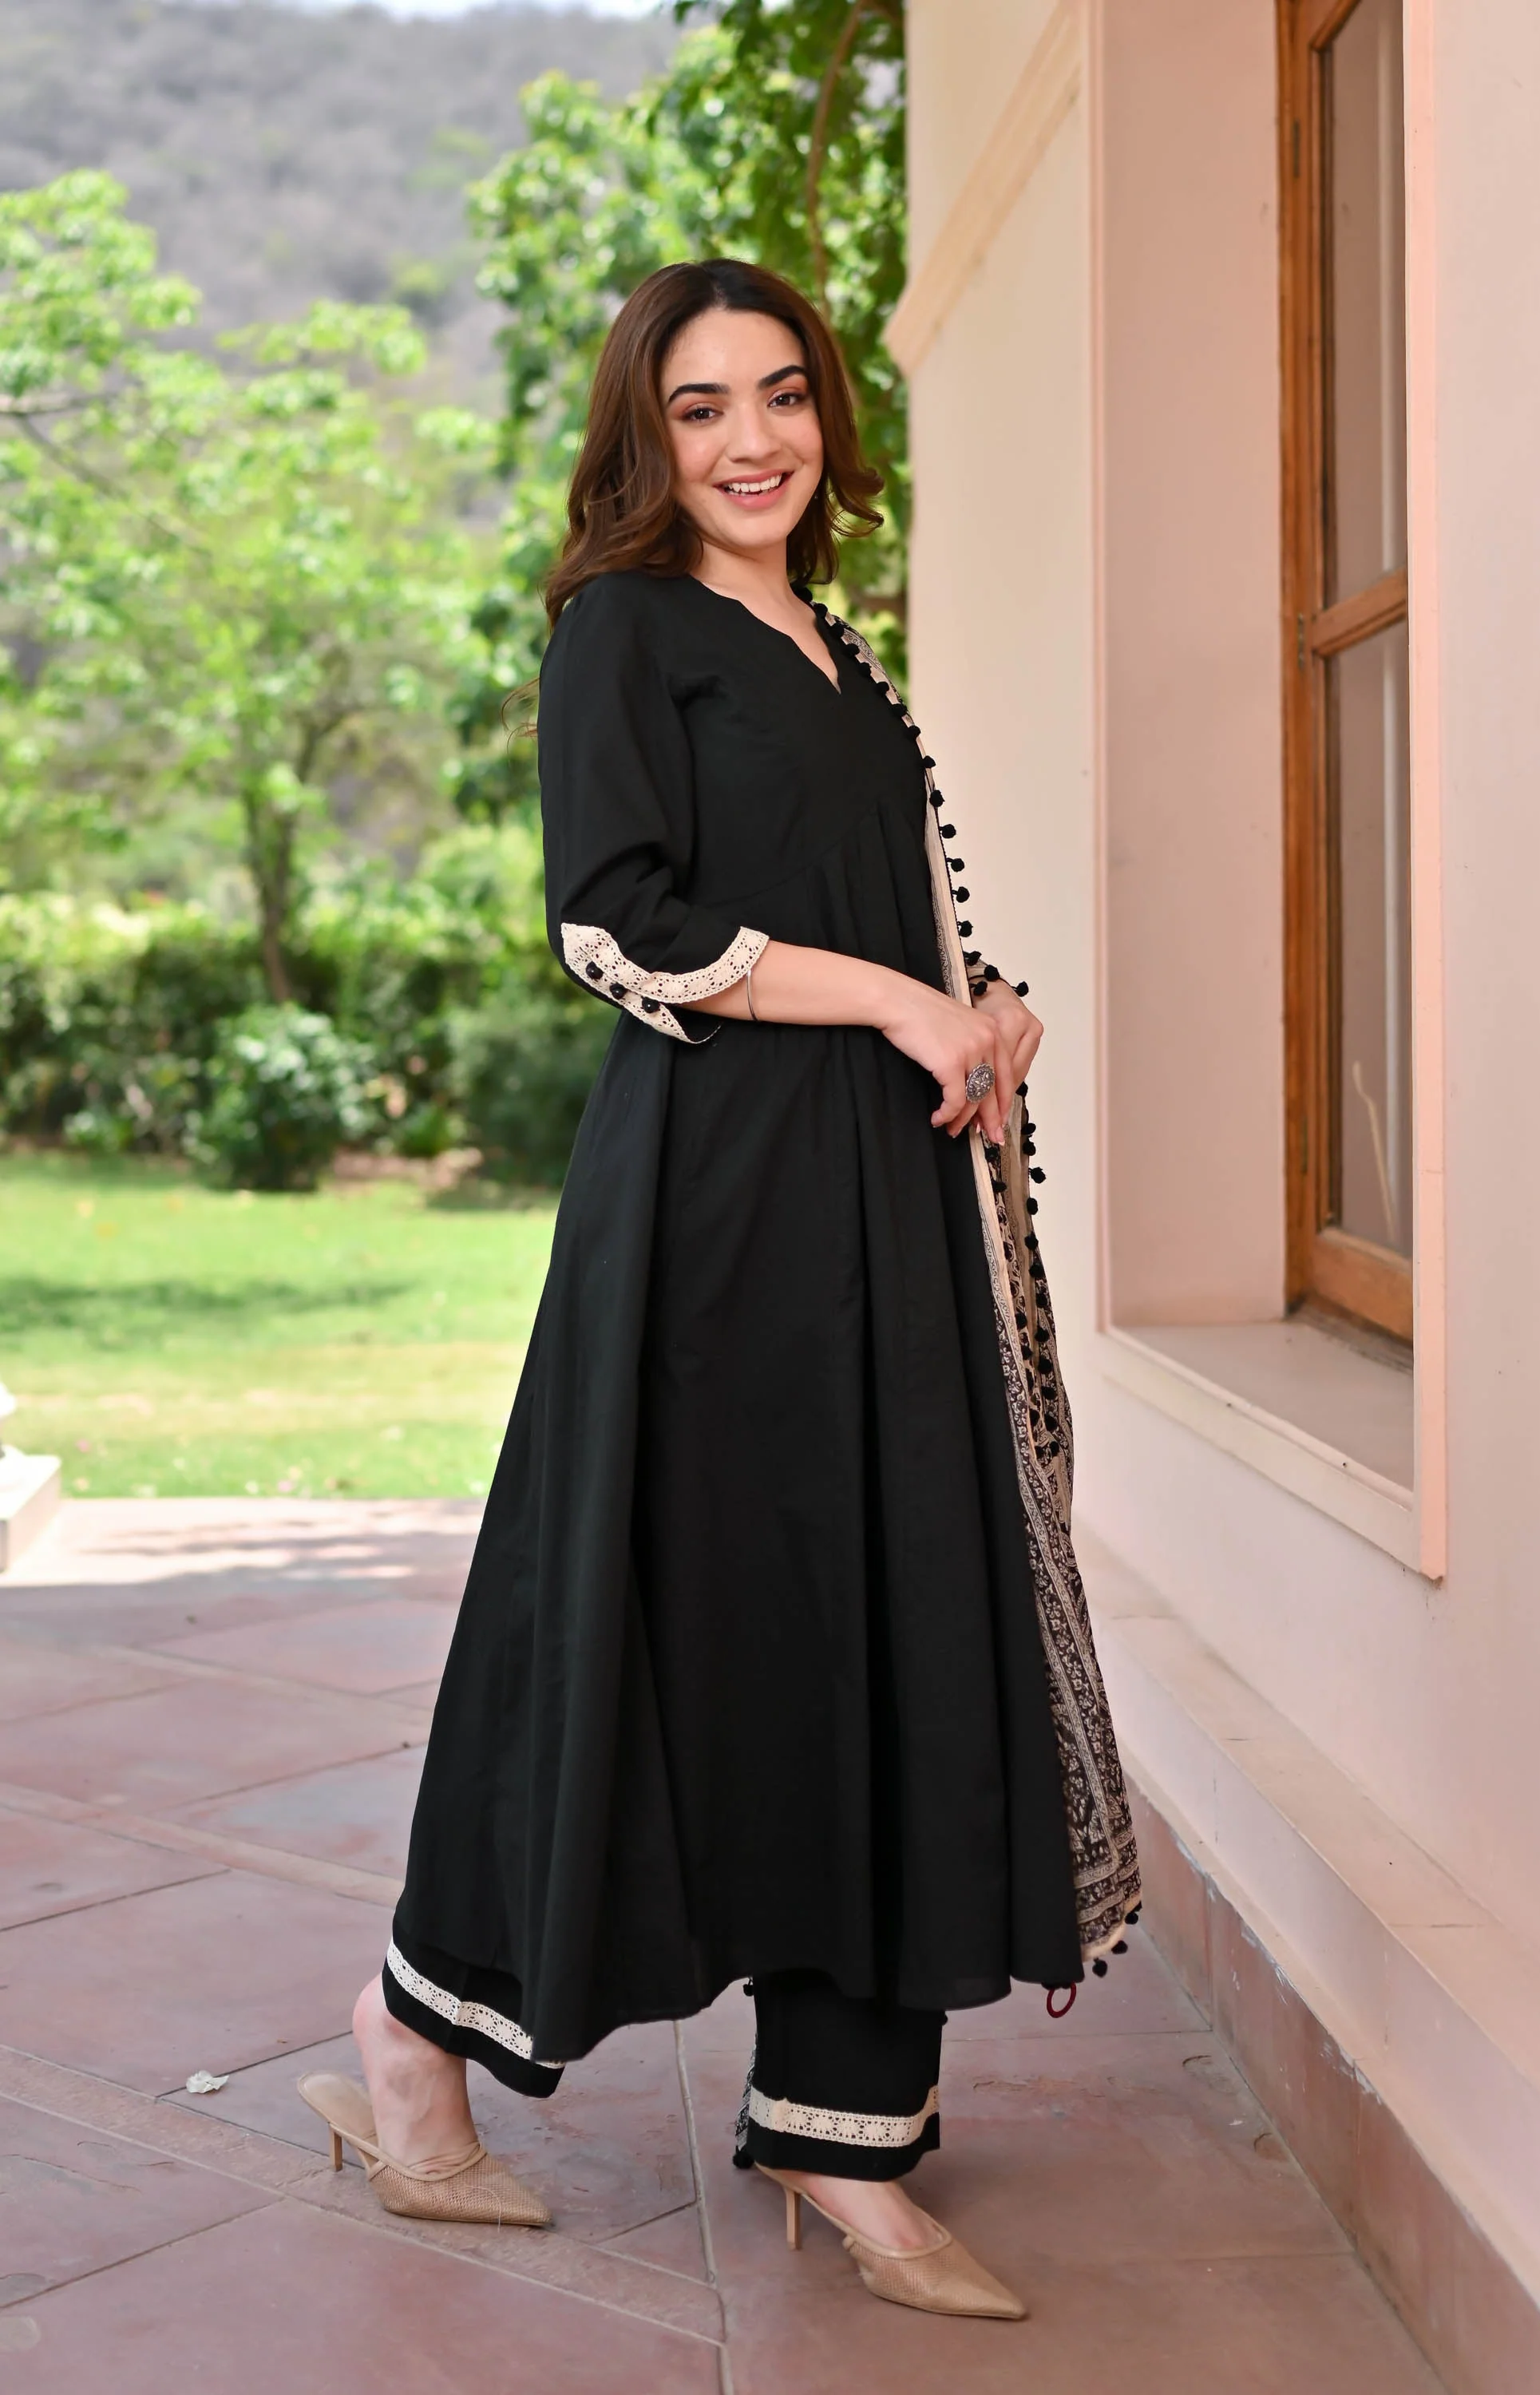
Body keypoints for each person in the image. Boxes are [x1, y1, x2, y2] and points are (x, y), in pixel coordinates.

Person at [299, 256, 1139, 2322]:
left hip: (883, 1216)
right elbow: (614, 922)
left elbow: (873, 913)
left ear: (826, 414)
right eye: (701, 408)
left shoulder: (836, 647)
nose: (753, 440)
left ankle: (845, 2132)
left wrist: (978, 1005)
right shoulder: (626, 628)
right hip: (712, 1220)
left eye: (782, 394)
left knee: (878, 1615)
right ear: (644, 437)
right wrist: (895, 1005)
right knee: (645, 1623)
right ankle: (411, 2043)